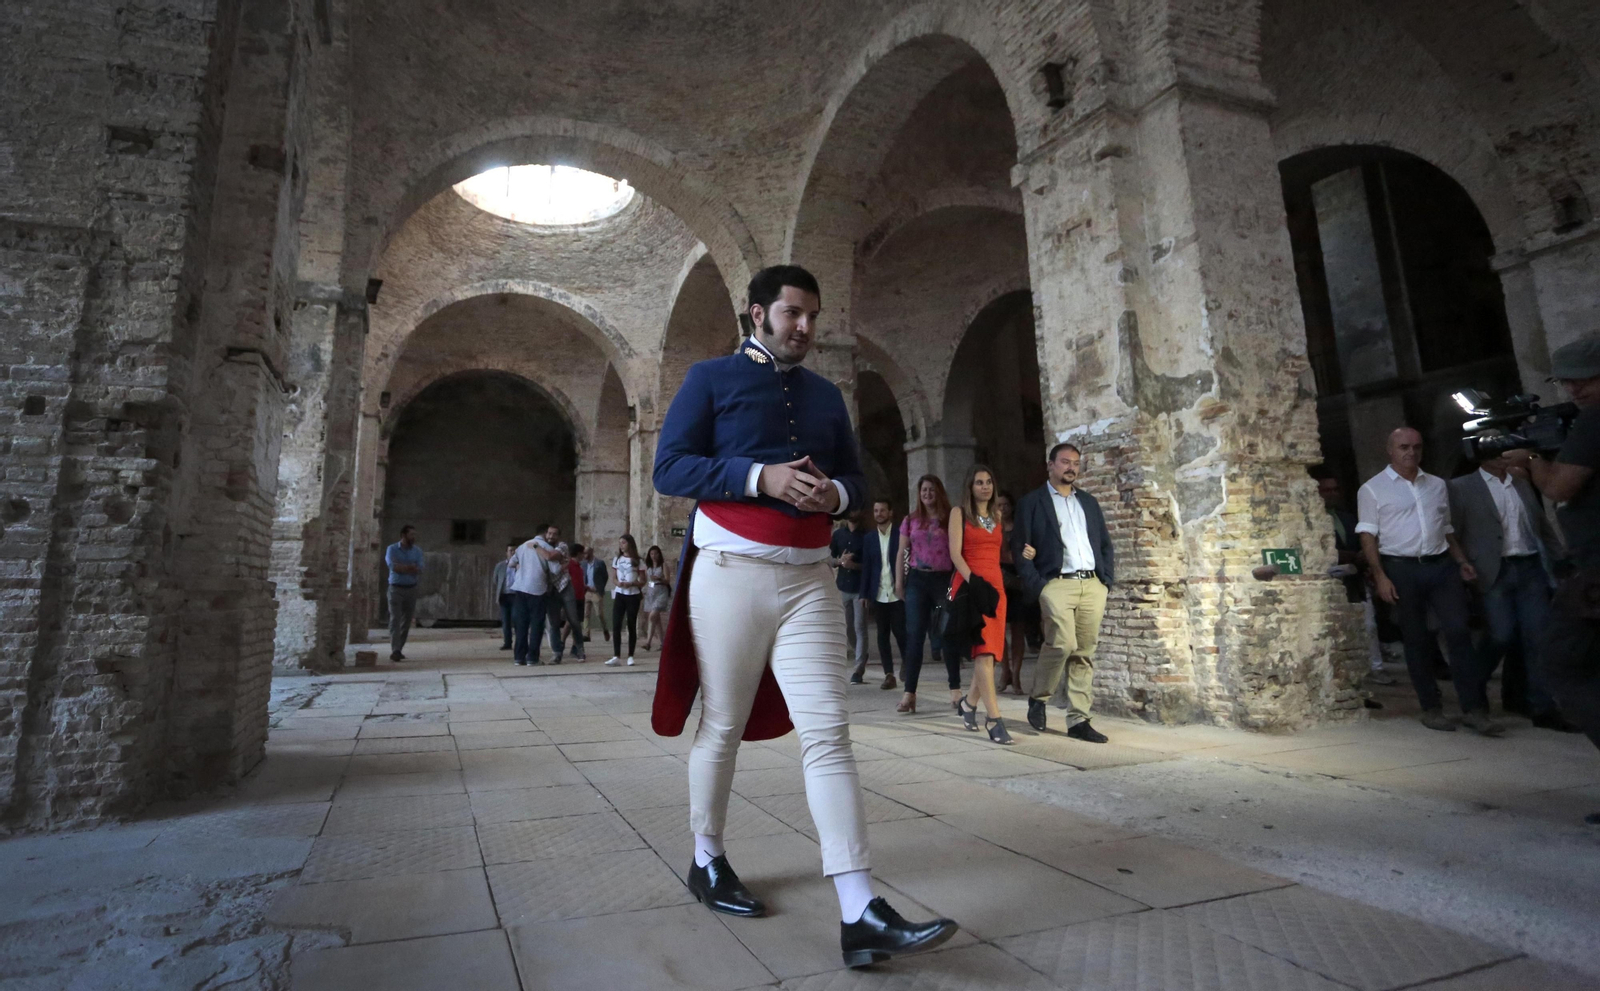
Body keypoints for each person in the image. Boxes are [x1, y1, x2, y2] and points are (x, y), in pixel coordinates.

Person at [652, 264, 956, 967]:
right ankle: (707, 855)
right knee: (722, 723)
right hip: (730, 573)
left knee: (830, 731)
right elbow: (671, 467)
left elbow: (858, 481)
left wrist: (835, 498)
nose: (805, 328)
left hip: (811, 580)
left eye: (812, 316)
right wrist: (760, 477)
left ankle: (859, 908)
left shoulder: (825, 395)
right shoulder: (709, 379)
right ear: (756, 313)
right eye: (792, 313)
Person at [1501, 335, 1600, 824]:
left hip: (1596, 571)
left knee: (1564, 664)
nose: (1576, 388)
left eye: (1587, 378)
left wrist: (1532, 466)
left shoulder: (1595, 420)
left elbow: (1562, 487)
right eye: (1569, 380)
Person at [1356, 427, 1494, 733]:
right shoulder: (1372, 489)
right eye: (1404, 447)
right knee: (1417, 639)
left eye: (1417, 447)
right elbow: (1368, 535)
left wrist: (1461, 561)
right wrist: (1380, 576)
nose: (1411, 453)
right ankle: (1431, 707)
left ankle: (1474, 708)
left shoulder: (1436, 485)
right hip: (1401, 567)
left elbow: (1445, 528)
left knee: (1459, 632)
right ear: (1390, 450)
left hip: (1441, 564)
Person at [1450, 455, 1573, 730]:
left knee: (1538, 637)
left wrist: (1560, 558)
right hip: (1494, 569)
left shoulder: (1521, 483)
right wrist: (1462, 563)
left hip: (1529, 565)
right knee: (1500, 635)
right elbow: (1452, 531)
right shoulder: (1461, 487)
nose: (1503, 455)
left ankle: (1542, 707)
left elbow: (1540, 523)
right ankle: (1473, 691)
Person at [1014, 443, 1116, 742]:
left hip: (1092, 584)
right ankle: (1039, 697)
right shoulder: (1032, 502)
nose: (1070, 467)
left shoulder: (1089, 502)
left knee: (1084, 652)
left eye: (1075, 463)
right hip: (1056, 583)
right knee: (1061, 643)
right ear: (1050, 465)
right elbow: (1020, 549)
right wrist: (1038, 585)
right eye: (1064, 462)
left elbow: (1105, 544)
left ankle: (1079, 720)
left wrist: (1105, 580)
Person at [948, 465, 1013, 744]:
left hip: (997, 588)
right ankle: (994, 719)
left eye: (988, 482)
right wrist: (973, 581)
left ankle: (968, 705)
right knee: (984, 653)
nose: (985, 487)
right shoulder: (958, 513)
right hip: (973, 586)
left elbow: (999, 553)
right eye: (979, 482)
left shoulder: (997, 514)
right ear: (970, 487)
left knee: (992, 653)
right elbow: (954, 553)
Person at [1315, 471, 1398, 688]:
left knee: (1369, 625)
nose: (1332, 494)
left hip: (1355, 579)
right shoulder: (1312, 522)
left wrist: (1364, 558)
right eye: (1327, 490)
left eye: (1335, 489)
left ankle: (1375, 667)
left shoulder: (1347, 518)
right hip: (1328, 581)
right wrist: (1352, 556)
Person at [895, 475, 954, 714]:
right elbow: (901, 552)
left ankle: (955, 690)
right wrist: (899, 583)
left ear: (939, 492)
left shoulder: (950, 519)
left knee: (947, 633)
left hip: (943, 579)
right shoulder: (910, 520)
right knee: (915, 636)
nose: (927, 494)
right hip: (918, 579)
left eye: (931, 490)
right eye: (923, 490)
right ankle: (909, 694)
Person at [857, 498, 905, 690]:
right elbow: (867, 567)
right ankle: (889, 674)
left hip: (897, 592)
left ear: (890, 512)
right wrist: (864, 593)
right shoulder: (869, 539)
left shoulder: (900, 534)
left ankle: (907, 665)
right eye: (876, 511)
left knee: (901, 632)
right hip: (878, 593)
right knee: (882, 635)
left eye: (882, 510)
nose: (879, 514)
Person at [995, 491, 1030, 696]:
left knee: (1018, 629)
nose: (1002, 508)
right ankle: (1004, 670)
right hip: (998, 577)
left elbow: (1025, 551)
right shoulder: (992, 527)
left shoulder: (1020, 527)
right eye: (998, 505)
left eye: (1005, 504)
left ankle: (1016, 674)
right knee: (999, 628)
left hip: (1018, 578)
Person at [534, 524, 584, 664]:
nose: (551, 536)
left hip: (565, 586)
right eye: (549, 533)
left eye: (554, 534)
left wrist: (536, 547)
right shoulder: (543, 546)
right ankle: (557, 653)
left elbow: (550, 557)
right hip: (550, 590)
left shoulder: (562, 546)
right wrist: (561, 563)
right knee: (554, 623)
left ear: (558, 536)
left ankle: (579, 649)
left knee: (573, 620)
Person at [508, 531, 559, 666]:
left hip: (520, 588)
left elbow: (511, 563)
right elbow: (555, 570)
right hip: (537, 590)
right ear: (544, 534)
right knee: (536, 625)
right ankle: (532, 658)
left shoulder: (522, 546)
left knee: (521, 625)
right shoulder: (547, 548)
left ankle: (519, 657)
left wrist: (522, 567)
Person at [829, 514, 869, 682]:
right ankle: (861, 653)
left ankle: (858, 668)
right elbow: (828, 558)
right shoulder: (838, 535)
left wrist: (855, 566)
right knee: (847, 627)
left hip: (859, 587)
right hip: (843, 586)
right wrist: (839, 561)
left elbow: (872, 564)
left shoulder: (867, 536)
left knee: (860, 626)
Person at [384, 525, 424, 662]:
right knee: (395, 619)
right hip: (396, 589)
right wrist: (409, 567)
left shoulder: (417, 551)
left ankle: (399, 649)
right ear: (403, 535)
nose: (414, 537)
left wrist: (403, 567)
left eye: (415, 534)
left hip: (411, 589)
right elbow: (393, 567)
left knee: (406, 621)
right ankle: (395, 649)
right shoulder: (392, 549)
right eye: (411, 534)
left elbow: (420, 569)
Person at [606, 534, 644, 666]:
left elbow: (643, 581)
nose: (621, 545)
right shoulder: (617, 559)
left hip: (633, 595)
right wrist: (618, 583)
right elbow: (614, 577)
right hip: (620, 594)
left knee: (631, 624)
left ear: (630, 544)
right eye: (620, 543)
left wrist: (632, 584)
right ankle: (616, 655)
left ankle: (630, 655)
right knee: (616, 624)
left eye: (623, 543)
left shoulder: (638, 561)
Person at [552, 542, 589, 662]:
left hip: (580, 597)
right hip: (572, 598)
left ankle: (574, 647)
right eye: (582, 553)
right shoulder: (570, 565)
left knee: (576, 622)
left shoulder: (579, 566)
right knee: (572, 622)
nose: (584, 555)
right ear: (578, 553)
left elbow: (579, 581)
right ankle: (564, 644)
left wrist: (584, 588)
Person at [640, 545, 673, 651]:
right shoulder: (648, 566)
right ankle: (663, 643)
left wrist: (660, 578)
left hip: (661, 591)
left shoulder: (663, 565)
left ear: (659, 554)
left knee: (652, 616)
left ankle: (648, 642)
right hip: (650, 592)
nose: (654, 556)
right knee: (656, 620)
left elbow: (667, 580)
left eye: (656, 553)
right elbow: (645, 579)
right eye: (652, 554)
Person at [581, 544, 610, 642]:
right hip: (587, 591)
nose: (585, 555)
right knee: (586, 614)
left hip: (596, 592)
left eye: (586, 553)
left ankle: (605, 629)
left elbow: (605, 576)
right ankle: (586, 634)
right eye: (584, 553)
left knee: (599, 614)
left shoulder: (599, 563)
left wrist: (599, 588)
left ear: (591, 552)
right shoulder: (583, 564)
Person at [492, 543, 516, 650]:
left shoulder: (520, 565)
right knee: (505, 621)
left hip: (516, 595)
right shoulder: (500, 566)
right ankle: (507, 642)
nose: (512, 552)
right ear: (506, 552)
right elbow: (495, 580)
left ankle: (519, 642)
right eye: (510, 550)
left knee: (517, 620)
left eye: (514, 550)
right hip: (504, 595)